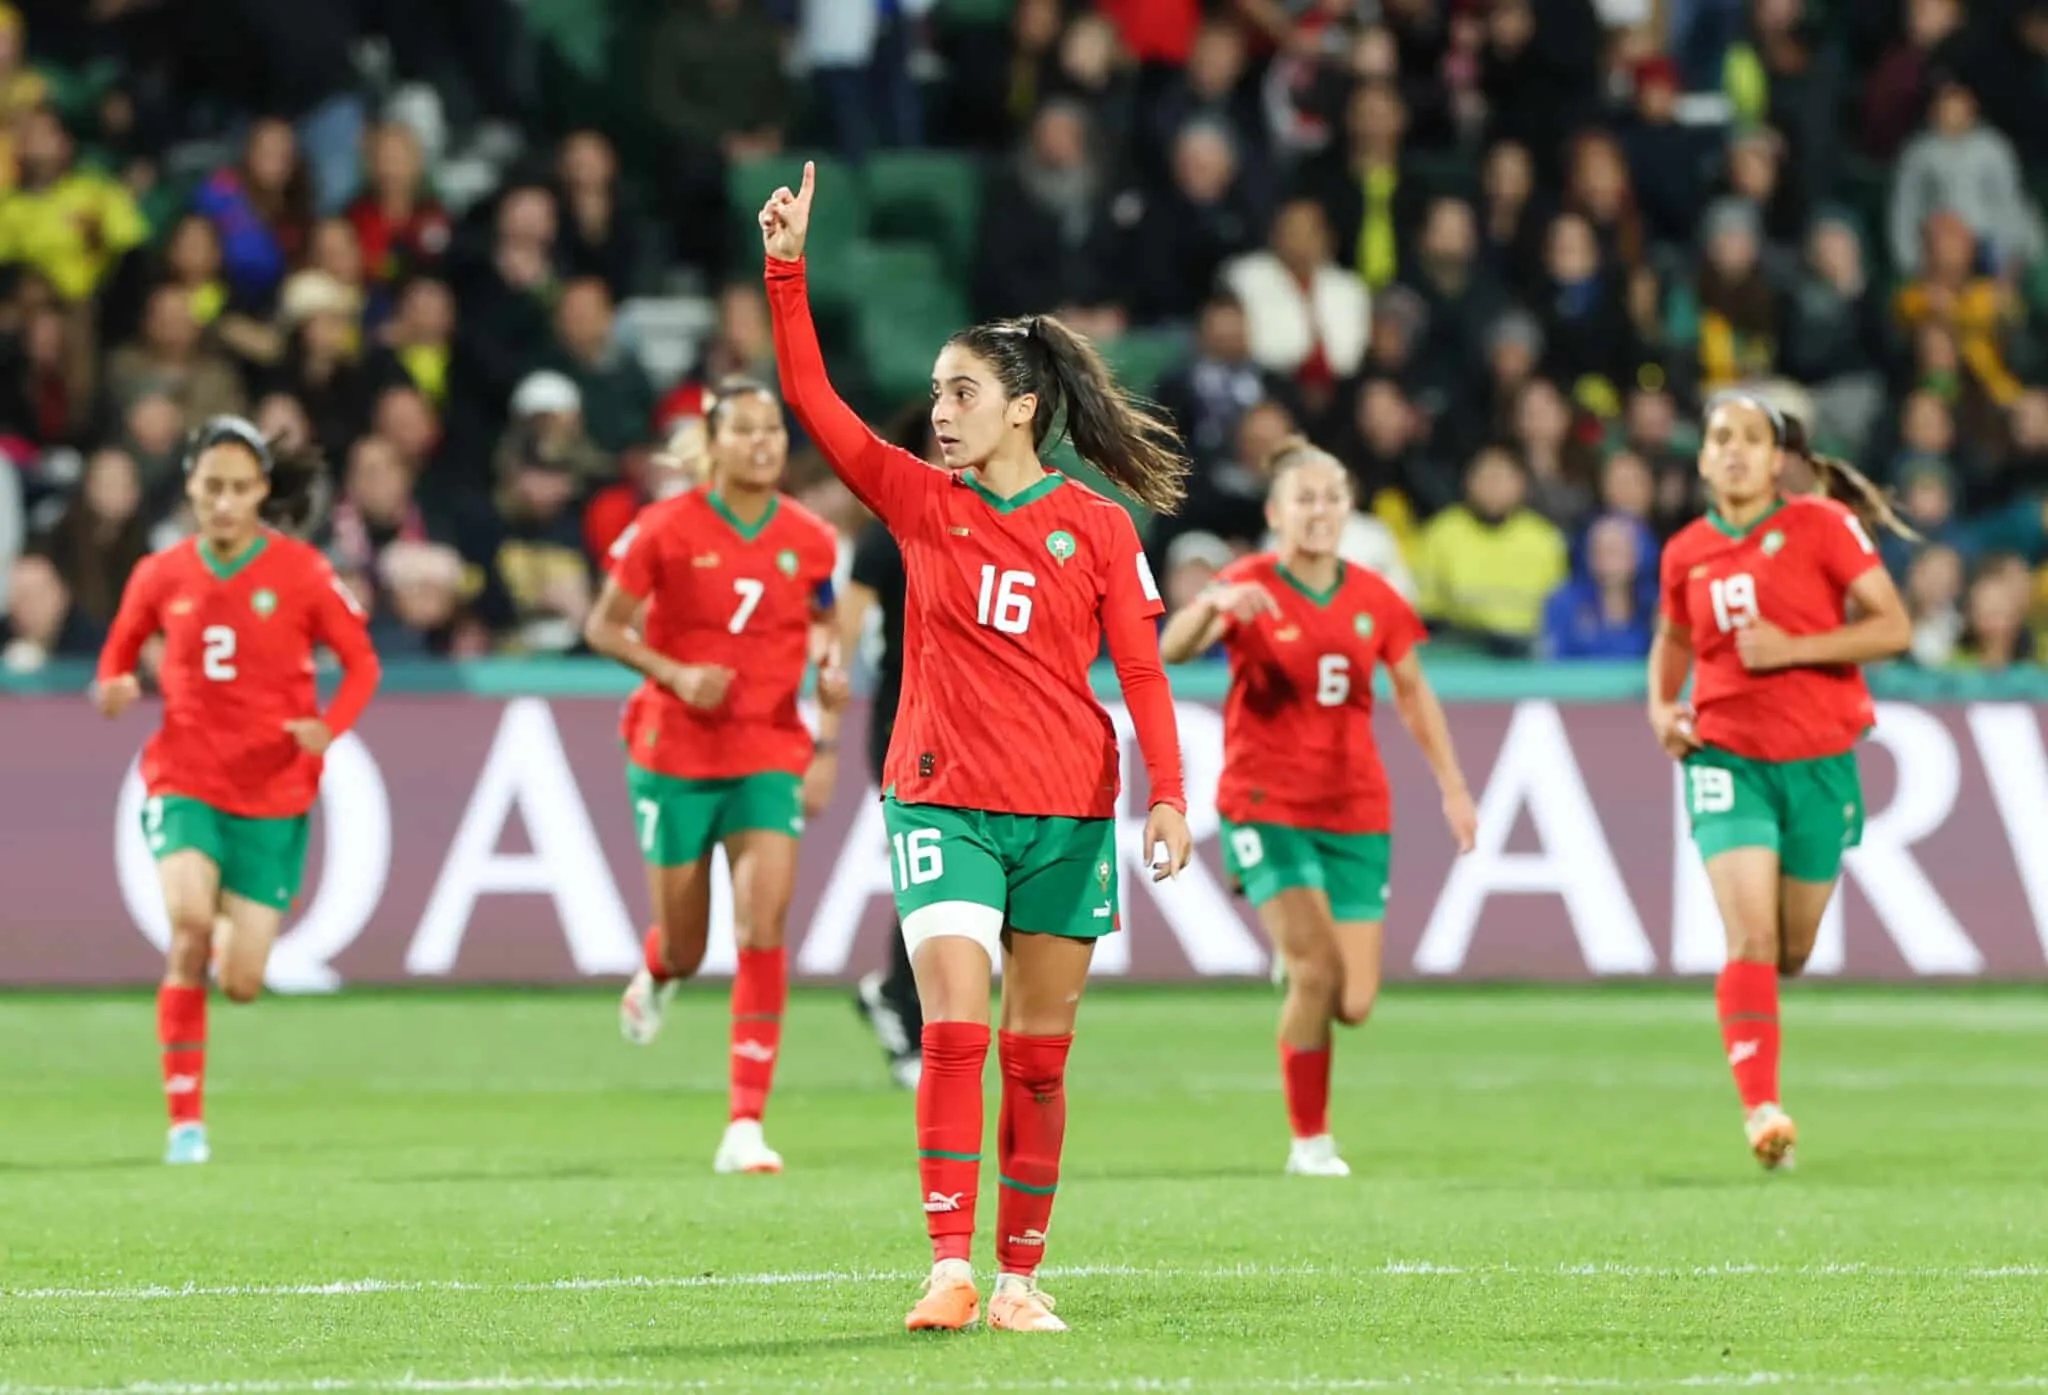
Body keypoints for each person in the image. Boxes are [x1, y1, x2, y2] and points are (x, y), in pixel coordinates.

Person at [760, 162, 1194, 1335]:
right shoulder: (916, 502)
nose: (939, 411)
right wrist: (787, 271)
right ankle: (948, 1266)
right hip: (940, 800)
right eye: (935, 392)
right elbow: (813, 400)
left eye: (960, 392)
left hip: (1065, 810)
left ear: (1021, 409)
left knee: (1037, 1058)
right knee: (953, 1026)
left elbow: (1141, 671)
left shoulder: (1097, 527)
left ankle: (1017, 1280)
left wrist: (1166, 793)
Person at [1159, 438, 1477, 1179]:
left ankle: (1299, 956)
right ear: (1276, 513)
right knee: (1316, 970)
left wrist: (1454, 786)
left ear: (1348, 509)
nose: (1319, 510)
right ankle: (1311, 1143)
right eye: (1303, 498)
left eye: (1331, 497)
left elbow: (1413, 691)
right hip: (1265, 801)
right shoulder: (1249, 581)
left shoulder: (1374, 597)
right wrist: (1211, 605)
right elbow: (1173, 648)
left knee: (1354, 1001)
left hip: (1355, 807)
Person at [94, 416, 381, 1167]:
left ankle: (230, 939)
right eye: (211, 487)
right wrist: (115, 685)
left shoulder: (303, 572)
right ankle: (185, 1123)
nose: (223, 503)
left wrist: (330, 727)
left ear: (262, 491)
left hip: (273, 790)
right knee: (188, 925)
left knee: (245, 983)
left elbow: (362, 663)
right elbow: (116, 656)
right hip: (185, 776)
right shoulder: (160, 574)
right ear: (190, 487)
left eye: (239, 488)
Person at [586, 376, 848, 1177]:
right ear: (713, 441)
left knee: (763, 924)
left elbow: (826, 628)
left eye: (773, 429)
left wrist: (828, 720)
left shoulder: (812, 539)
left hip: (766, 749)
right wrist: (674, 672)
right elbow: (603, 625)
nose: (763, 443)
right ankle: (660, 967)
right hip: (673, 751)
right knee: (688, 943)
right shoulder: (663, 528)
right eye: (745, 429)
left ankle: (744, 1124)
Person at [1648, 396, 1915, 1171]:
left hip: (1820, 759)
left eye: (1751, 439)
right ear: (1703, 458)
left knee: (1791, 950)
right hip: (1726, 756)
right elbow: (1672, 639)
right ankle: (1762, 1109)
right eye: (1720, 438)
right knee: (1751, 937)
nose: (1734, 451)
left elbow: (1892, 626)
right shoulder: (1686, 551)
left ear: (1777, 458)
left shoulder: (1823, 525)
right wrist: (1662, 708)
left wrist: (1795, 648)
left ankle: (1763, 1073)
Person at [842, 511, 924, 1090]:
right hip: (905, 718)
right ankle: (906, 1012)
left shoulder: (999, 512)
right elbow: (844, 629)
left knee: (965, 869)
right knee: (932, 863)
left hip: (979, 721)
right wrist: (825, 727)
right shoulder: (890, 530)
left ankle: (897, 994)